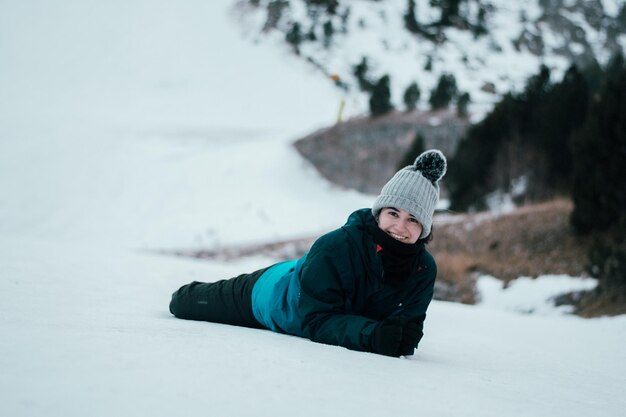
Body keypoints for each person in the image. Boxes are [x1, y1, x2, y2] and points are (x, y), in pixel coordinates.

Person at [169, 149, 447, 357]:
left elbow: (408, 324)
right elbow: (316, 320)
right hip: (274, 297)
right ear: (378, 213)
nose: (400, 226)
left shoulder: (422, 269)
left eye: (413, 219)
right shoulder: (336, 247)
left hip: (306, 275)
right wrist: (373, 336)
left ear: (423, 227)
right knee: (183, 304)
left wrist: (403, 336)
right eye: (393, 213)